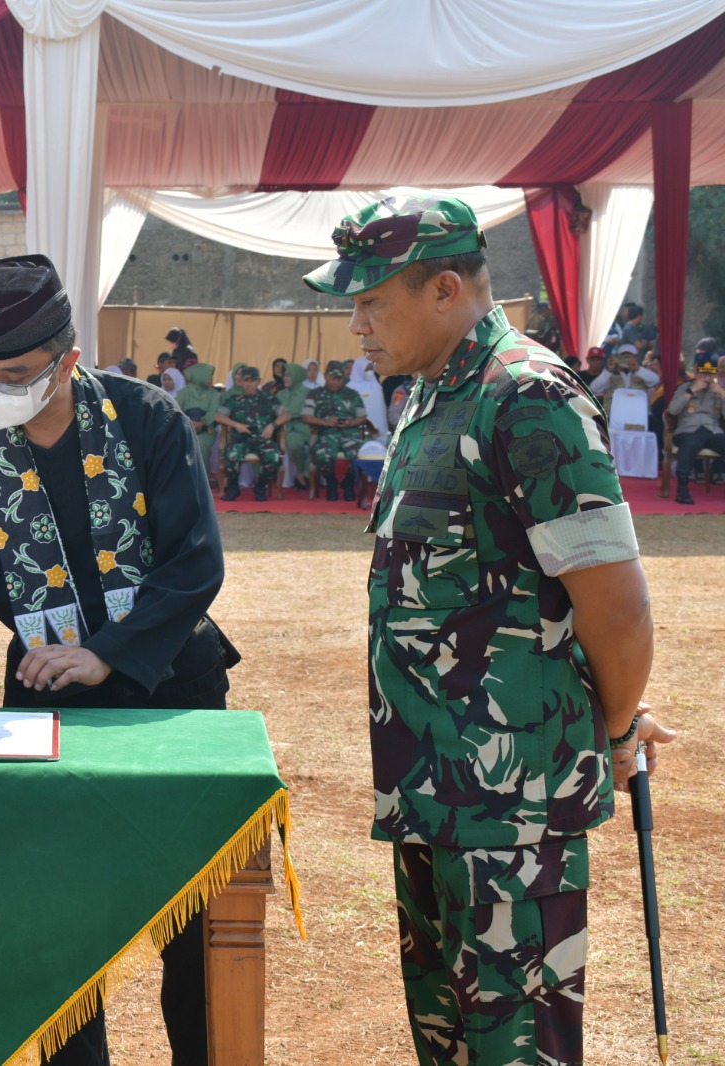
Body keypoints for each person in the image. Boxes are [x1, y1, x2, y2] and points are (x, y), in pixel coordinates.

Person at [304, 193, 673, 1066]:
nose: (354, 323)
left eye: (370, 301)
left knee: (518, 1052)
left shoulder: (525, 396)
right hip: (432, 796)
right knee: (453, 1045)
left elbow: (614, 604)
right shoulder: (435, 395)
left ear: (443, 289)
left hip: (513, 817)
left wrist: (614, 731)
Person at [0, 253, 236, 1066]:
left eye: (15, 373)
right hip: (45, 702)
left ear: (68, 360)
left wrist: (106, 655)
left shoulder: (148, 419)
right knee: (59, 923)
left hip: (170, 691)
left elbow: (194, 565)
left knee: (194, 923)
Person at [213, 365, 287, 501]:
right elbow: (218, 416)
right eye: (246, 381)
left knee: (275, 457)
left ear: (258, 381)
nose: (249, 384)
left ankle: (260, 485)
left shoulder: (269, 398)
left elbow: (286, 415)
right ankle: (233, 486)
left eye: (253, 381)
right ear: (241, 382)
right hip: (241, 439)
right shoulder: (234, 400)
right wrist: (236, 425)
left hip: (263, 439)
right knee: (231, 454)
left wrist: (272, 425)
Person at [300, 360, 370, 500]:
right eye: (333, 378)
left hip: (350, 434)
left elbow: (363, 417)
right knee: (321, 454)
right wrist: (324, 422)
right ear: (326, 376)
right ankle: (331, 482)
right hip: (327, 433)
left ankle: (348, 482)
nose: (337, 382)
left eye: (339, 378)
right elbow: (306, 417)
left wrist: (351, 422)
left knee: (360, 454)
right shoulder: (314, 394)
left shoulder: (352, 394)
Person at [667, 356, 725, 504]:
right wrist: (692, 390)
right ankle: (683, 490)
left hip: (713, 431)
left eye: (710, 373)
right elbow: (672, 410)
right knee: (689, 444)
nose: (706, 377)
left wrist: (722, 394)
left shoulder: (719, 390)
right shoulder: (684, 387)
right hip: (688, 430)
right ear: (694, 371)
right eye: (702, 372)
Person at [176, 361, 220, 478]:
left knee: (199, 444)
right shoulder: (184, 392)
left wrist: (202, 422)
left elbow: (213, 412)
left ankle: (202, 478)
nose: (211, 379)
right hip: (186, 428)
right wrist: (188, 423)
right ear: (200, 376)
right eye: (209, 376)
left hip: (206, 429)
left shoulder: (214, 394)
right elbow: (176, 410)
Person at [590, 343, 658, 398]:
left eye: (628, 357)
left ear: (635, 358)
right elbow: (594, 388)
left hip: (638, 413)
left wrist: (637, 368)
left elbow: (655, 380)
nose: (625, 360)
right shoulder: (610, 375)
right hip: (615, 413)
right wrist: (608, 370)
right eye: (623, 357)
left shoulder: (641, 373)